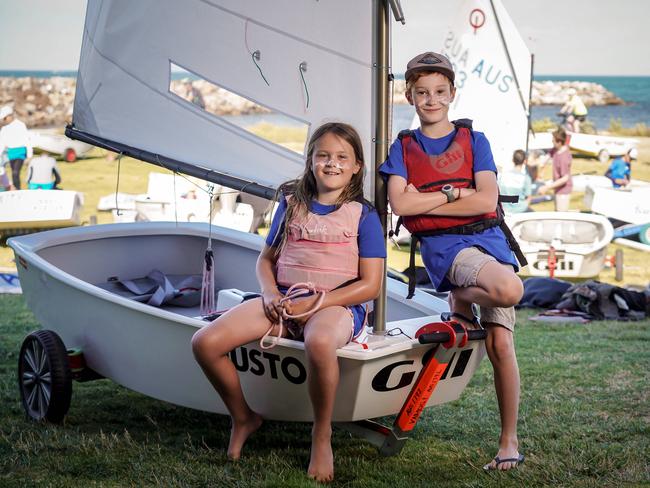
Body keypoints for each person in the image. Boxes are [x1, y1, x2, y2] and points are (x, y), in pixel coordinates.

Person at [191, 122, 385, 483]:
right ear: (311, 160)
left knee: (320, 341)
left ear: (357, 165)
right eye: (323, 155)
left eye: (342, 157)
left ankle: (321, 433)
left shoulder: (365, 215)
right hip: (283, 301)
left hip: (336, 306)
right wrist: (270, 294)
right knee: (205, 342)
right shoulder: (292, 204)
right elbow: (265, 260)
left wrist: (317, 303)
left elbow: (370, 285)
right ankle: (244, 416)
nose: (332, 163)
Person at [380, 51, 525, 472]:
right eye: (422, 92)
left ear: (452, 93)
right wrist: (452, 194)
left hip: (491, 243)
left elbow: (486, 198)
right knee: (511, 289)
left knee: (500, 342)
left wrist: (440, 199)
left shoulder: (474, 141)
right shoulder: (404, 147)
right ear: (409, 95)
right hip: (446, 248)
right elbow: (401, 204)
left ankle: (508, 441)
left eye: (439, 92)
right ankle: (456, 291)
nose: (431, 100)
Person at [538, 128, 573, 211]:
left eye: (553, 141)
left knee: (560, 215)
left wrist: (547, 187)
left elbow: (565, 178)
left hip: (563, 191)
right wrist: (541, 165)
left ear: (559, 142)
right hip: (557, 188)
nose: (552, 142)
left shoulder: (564, 158)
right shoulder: (556, 149)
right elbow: (546, 158)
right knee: (556, 211)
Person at [0, 105, 33, 189]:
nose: (4, 120)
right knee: (12, 173)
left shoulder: (20, 125)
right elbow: (2, 144)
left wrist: (29, 156)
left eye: (5, 118)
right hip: (11, 153)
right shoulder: (4, 129)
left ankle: (18, 191)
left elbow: (27, 140)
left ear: (10, 116)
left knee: (15, 173)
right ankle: (15, 190)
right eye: (3, 119)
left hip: (20, 152)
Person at [498, 150, 533, 214]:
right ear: (525, 161)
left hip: (504, 211)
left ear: (513, 160)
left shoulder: (503, 176)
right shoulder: (526, 178)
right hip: (520, 210)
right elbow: (529, 198)